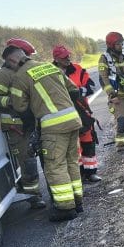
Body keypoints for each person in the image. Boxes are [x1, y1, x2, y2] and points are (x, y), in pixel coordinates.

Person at [4, 44, 84, 221]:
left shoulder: (20, 77)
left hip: (53, 126)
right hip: (72, 120)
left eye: (9, 65)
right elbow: (74, 90)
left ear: (12, 60)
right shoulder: (49, 66)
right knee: (71, 162)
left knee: (55, 166)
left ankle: (65, 208)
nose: (10, 69)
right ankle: (77, 202)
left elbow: (19, 106)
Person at [0, 38, 45, 208]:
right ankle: (33, 196)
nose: (25, 60)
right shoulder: (2, 75)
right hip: (17, 127)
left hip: (34, 122)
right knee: (28, 161)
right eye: (24, 56)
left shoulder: (27, 70)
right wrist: (13, 102)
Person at [52, 44, 101, 183]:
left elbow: (90, 86)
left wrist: (77, 93)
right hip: (63, 115)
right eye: (64, 57)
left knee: (88, 142)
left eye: (68, 55)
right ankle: (77, 175)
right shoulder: (51, 73)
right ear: (56, 59)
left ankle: (91, 172)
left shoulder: (77, 69)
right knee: (73, 147)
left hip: (82, 113)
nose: (68, 58)